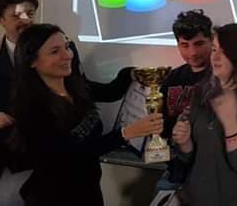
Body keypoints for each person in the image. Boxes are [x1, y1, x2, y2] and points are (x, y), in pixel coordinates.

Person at [0, 0, 132, 205]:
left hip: (75, 179)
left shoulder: (66, 62)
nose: (26, 20)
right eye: (17, 15)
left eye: (30, 13)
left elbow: (84, 89)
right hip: (11, 166)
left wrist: (127, 77)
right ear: (0, 19)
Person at [9, 23, 162, 206]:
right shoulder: (32, 109)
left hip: (89, 190)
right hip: (55, 197)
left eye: (66, 47)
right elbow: (74, 155)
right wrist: (126, 133)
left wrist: (132, 74)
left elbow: (111, 92)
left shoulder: (76, 87)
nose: (67, 55)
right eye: (55, 52)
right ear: (32, 61)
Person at [172, 23, 237, 205]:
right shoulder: (202, 93)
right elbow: (190, 157)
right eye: (214, 49)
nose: (215, 57)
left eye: (224, 52)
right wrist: (185, 143)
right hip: (193, 199)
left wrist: (230, 124)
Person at [157, 10, 213, 187]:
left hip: (210, 171)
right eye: (185, 45)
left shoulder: (222, 77)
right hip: (176, 170)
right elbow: (162, 123)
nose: (193, 52)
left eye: (199, 44)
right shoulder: (173, 77)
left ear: (211, 41)